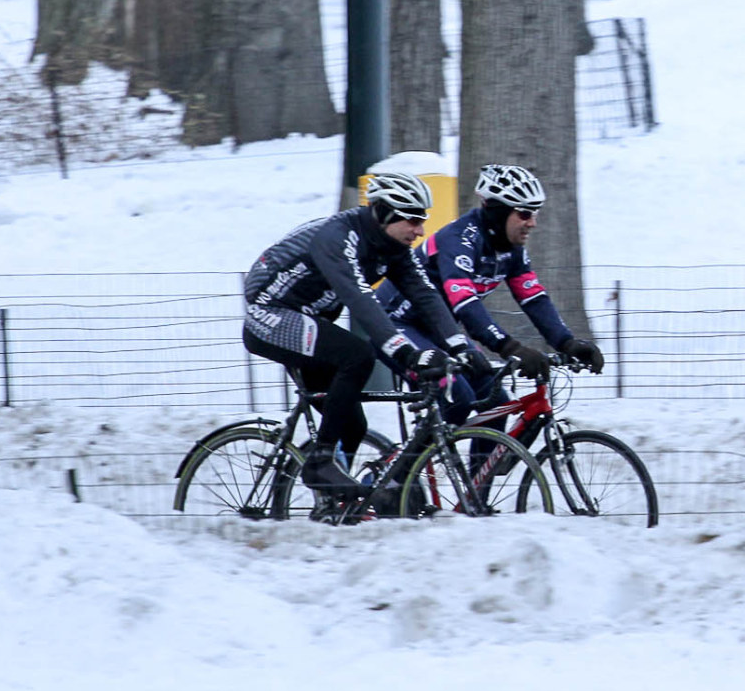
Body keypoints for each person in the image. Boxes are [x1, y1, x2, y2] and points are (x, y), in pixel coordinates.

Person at [241, 168, 464, 494]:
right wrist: (406, 353)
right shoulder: (338, 236)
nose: (420, 230)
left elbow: (425, 295)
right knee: (357, 355)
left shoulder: (391, 247)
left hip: (308, 318)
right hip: (269, 314)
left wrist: (461, 347)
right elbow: (360, 299)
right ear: (385, 214)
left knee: (353, 426)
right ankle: (320, 462)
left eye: (422, 220)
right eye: (413, 220)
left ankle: (336, 501)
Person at [373, 163, 605, 422]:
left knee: (496, 406)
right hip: (396, 324)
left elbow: (534, 299)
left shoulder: (511, 250)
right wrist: (510, 347)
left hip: (440, 331)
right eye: (525, 214)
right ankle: (421, 449)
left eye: (535, 213)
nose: (532, 223)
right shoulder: (459, 240)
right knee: (458, 399)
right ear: (499, 212)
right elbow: (465, 303)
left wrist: (566, 342)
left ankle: (474, 452)